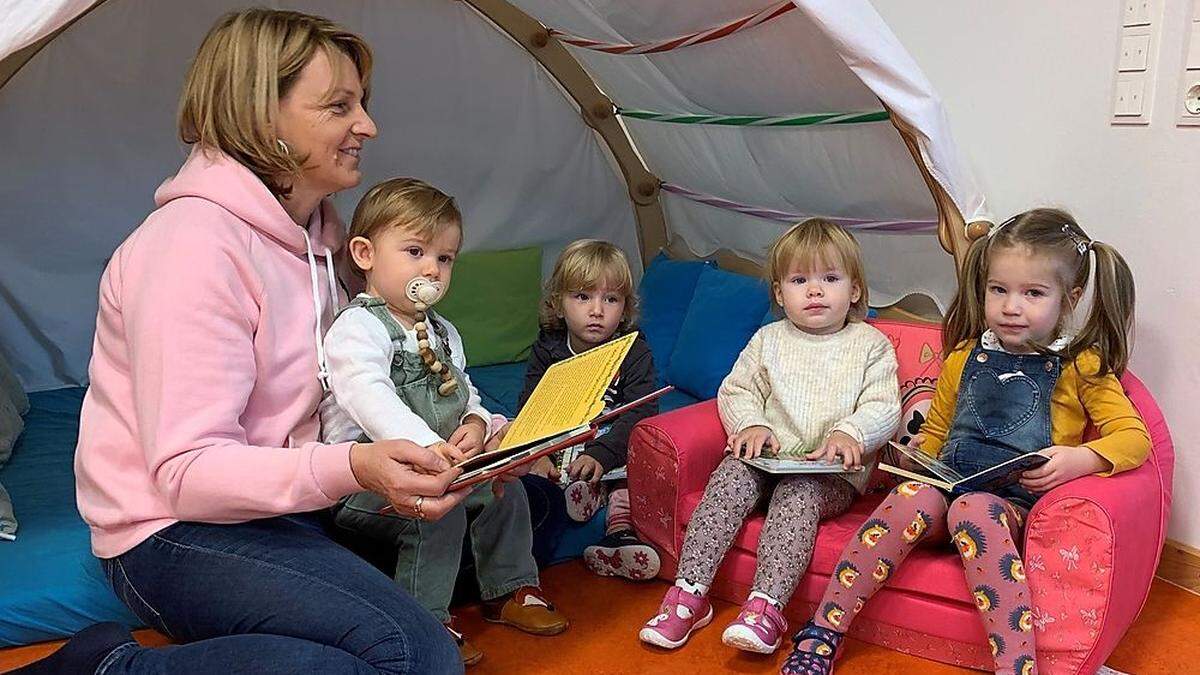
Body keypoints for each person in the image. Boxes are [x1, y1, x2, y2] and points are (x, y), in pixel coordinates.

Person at [21, 9, 465, 674]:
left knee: (502, 521)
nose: (367, 126)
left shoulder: (323, 234)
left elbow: (357, 371)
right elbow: (188, 473)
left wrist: (467, 428)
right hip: (174, 530)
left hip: (289, 504)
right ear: (263, 117)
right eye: (340, 105)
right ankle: (106, 667)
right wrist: (353, 467)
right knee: (414, 654)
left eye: (362, 103)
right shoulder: (190, 248)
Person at [782, 209, 1151, 675]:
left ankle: (1018, 667)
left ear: (1070, 297)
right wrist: (917, 463)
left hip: (1008, 506)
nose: (1011, 306)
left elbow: (1134, 438)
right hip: (947, 490)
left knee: (972, 509)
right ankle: (823, 632)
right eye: (999, 290)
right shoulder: (964, 355)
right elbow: (937, 431)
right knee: (914, 495)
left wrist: (1081, 458)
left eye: (1033, 293)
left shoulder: (1082, 363)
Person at [320, 178, 567, 667]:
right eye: (415, 251)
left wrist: (477, 425)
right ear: (366, 254)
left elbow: (466, 391)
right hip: (363, 482)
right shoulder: (358, 329)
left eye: (445, 258)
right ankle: (424, 619)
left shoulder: (443, 331)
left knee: (506, 493)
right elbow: (369, 397)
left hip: (446, 464)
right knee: (440, 513)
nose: (431, 269)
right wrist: (429, 448)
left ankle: (510, 588)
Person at [639, 220, 900, 655]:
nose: (815, 291)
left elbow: (883, 406)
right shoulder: (768, 340)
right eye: (800, 281)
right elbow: (737, 389)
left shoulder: (870, 345)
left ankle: (766, 607)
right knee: (729, 477)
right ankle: (688, 593)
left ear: (854, 290)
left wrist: (850, 431)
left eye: (830, 279)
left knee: (797, 494)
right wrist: (750, 425)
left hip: (828, 476)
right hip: (767, 462)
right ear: (780, 294)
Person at [516, 240, 662, 580]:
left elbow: (641, 412)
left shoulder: (634, 351)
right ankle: (580, 492)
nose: (597, 310)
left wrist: (602, 455)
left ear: (624, 309)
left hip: (612, 447)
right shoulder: (548, 349)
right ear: (558, 304)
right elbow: (531, 410)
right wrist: (539, 455)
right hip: (564, 448)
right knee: (528, 465)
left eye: (610, 299)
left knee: (641, 462)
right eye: (583, 297)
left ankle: (619, 536)